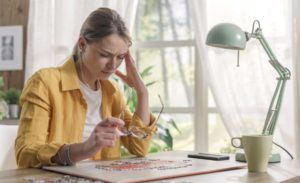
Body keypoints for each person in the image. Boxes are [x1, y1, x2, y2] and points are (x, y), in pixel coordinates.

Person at [15, 7, 157, 168]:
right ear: (82, 44)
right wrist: (83, 149)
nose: (112, 65)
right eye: (105, 55)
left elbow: (140, 147)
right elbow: (25, 154)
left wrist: (142, 93)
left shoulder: (112, 92)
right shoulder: (44, 82)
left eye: (120, 57)